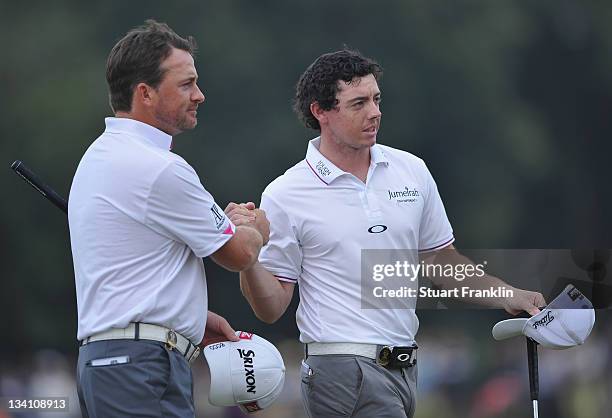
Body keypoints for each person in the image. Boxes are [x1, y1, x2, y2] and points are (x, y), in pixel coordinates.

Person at [236, 49, 546, 418]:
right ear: (321, 112)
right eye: (358, 103)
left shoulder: (411, 170)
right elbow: (271, 306)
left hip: (404, 369)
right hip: (343, 371)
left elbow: (438, 262)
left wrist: (505, 294)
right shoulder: (287, 192)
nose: (375, 112)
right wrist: (248, 257)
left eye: (377, 99)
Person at [68, 20, 269, 418]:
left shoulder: (99, 155)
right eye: (186, 84)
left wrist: (187, 317)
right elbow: (239, 254)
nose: (200, 95)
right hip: (140, 367)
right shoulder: (159, 168)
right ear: (145, 92)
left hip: (112, 363)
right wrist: (254, 227)